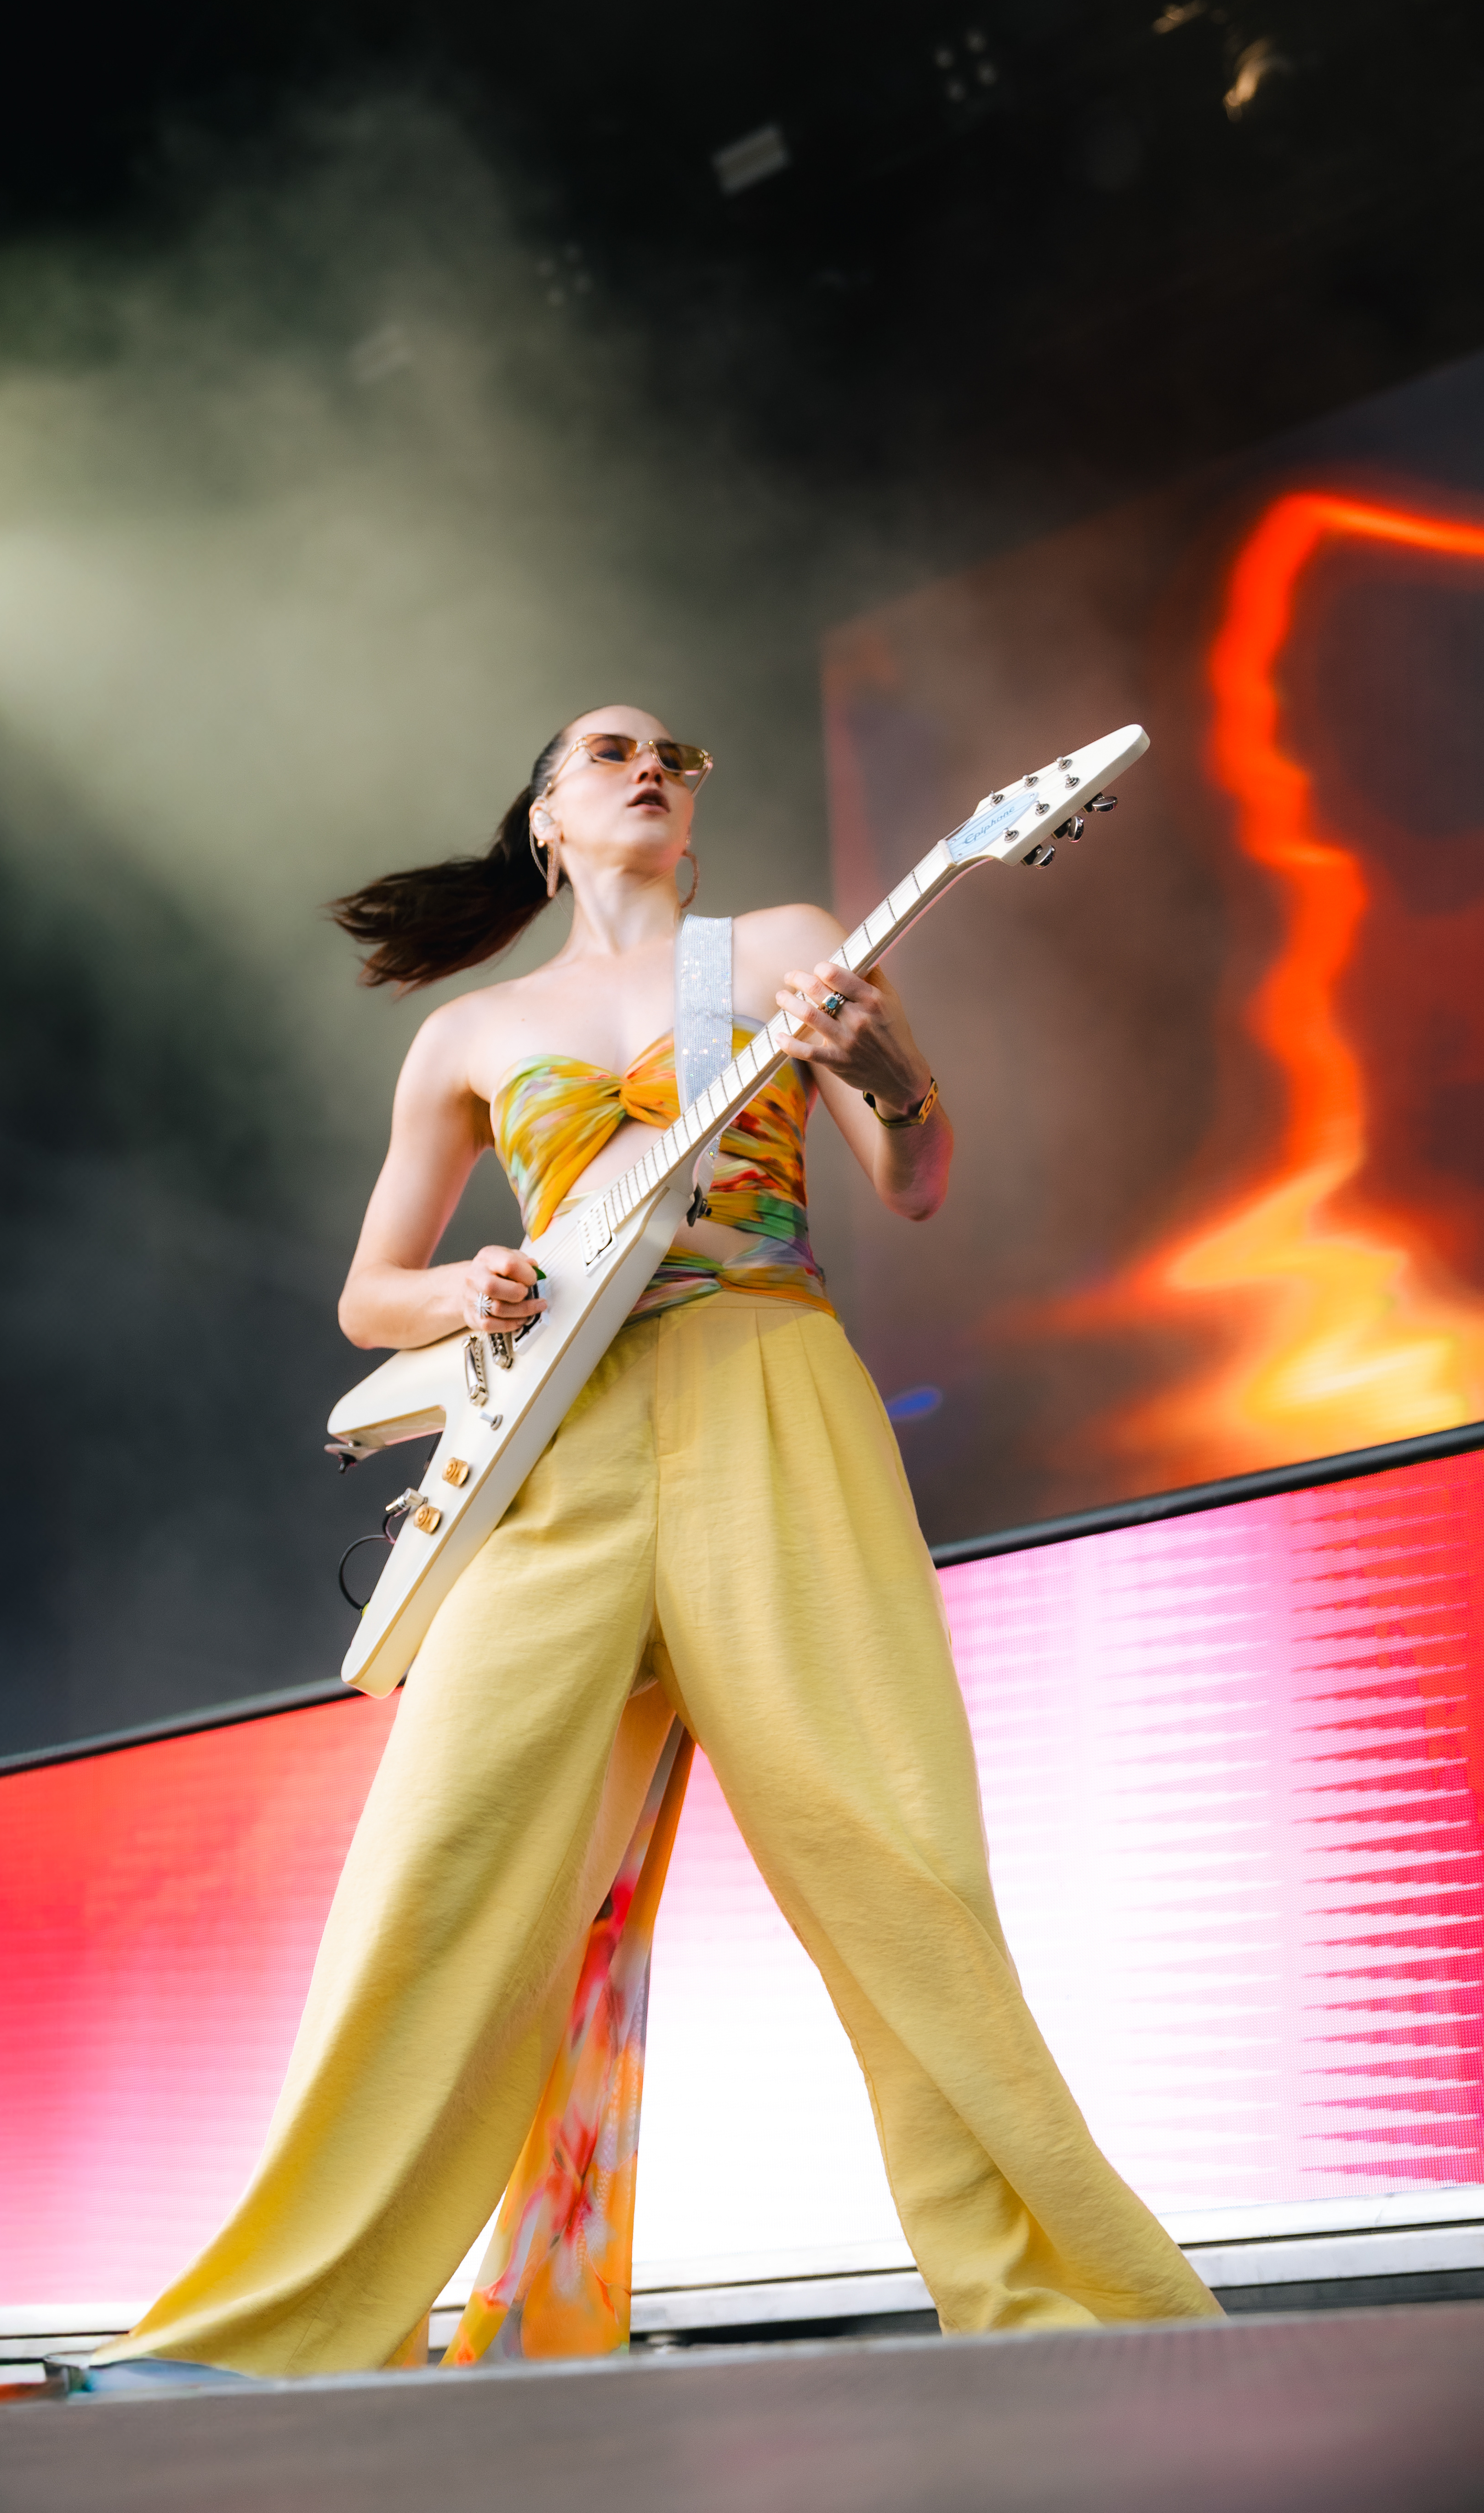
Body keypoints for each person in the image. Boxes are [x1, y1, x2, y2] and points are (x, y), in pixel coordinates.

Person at [99, 705, 1221, 2378]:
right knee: (439, 1862)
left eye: (676, 756)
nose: (651, 766)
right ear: (546, 817)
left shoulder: (776, 947)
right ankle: (280, 2327)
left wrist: (882, 1068)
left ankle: (1073, 2305)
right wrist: (463, 1289)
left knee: (895, 1852)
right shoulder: (473, 1033)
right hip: (559, 1441)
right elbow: (365, 1296)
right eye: (608, 751)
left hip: (767, 1373)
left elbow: (914, 1173)